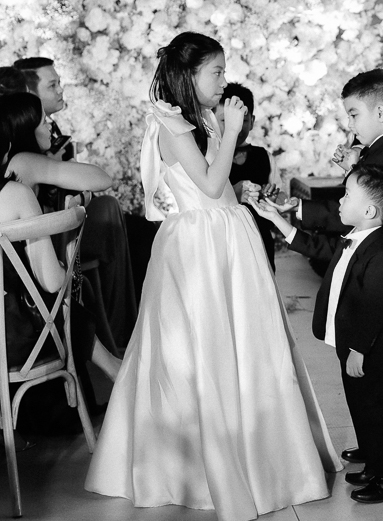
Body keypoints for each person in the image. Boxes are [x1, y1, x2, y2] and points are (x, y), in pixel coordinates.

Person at [84, 32, 341, 521]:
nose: (224, 82)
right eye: (216, 72)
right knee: (201, 346)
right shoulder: (171, 124)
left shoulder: (199, 118)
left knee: (244, 343)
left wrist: (239, 190)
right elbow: (207, 183)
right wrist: (231, 129)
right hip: (198, 246)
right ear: (188, 75)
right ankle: (203, 465)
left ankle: (262, 453)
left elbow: (216, 187)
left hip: (224, 235)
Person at [273, 68, 383, 468]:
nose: (350, 124)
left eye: (354, 114)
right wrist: (354, 171)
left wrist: (305, 208)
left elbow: (377, 209)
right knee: (380, 373)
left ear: (381, 112)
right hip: (377, 271)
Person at [250, 163, 383, 503]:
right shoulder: (354, 238)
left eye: (347, 195)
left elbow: (375, 307)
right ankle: (374, 461)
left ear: (369, 211)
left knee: (380, 410)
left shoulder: (382, 256)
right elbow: (315, 246)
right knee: (360, 405)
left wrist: (359, 349)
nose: (340, 201)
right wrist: (276, 219)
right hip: (351, 344)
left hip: (369, 349)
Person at [0, 91, 136, 357]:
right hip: (22, 295)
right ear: (25, 128)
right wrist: (55, 166)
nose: (50, 126)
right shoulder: (24, 162)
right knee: (70, 288)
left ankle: (111, 364)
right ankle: (113, 363)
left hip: (17, 288)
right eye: (43, 120)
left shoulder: (17, 166)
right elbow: (102, 178)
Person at [213, 82, 278, 270]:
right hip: (223, 241)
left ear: (252, 120)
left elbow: (279, 196)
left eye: (244, 120)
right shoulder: (210, 158)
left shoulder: (264, 157)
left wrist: (272, 197)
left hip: (259, 239)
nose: (237, 127)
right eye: (225, 120)